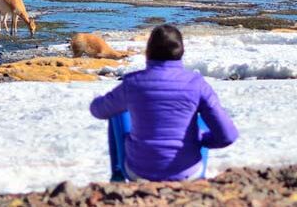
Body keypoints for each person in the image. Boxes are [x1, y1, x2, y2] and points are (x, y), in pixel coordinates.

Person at [89, 24, 238, 181]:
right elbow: (228, 136)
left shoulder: (133, 83)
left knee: (117, 112)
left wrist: (99, 99)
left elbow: (98, 111)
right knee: (201, 118)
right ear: (182, 52)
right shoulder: (197, 84)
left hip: (139, 172)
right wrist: (201, 140)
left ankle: (117, 176)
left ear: (148, 52)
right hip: (187, 173)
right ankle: (198, 179)